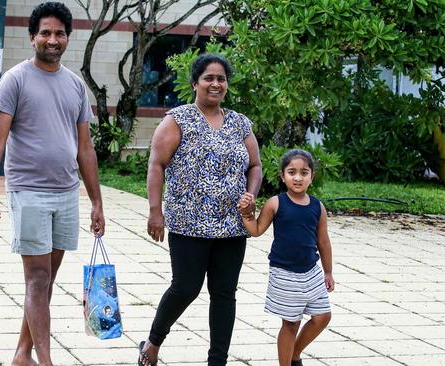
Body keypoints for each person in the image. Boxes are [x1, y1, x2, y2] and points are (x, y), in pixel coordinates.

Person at [0, 2, 105, 365]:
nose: (52, 39)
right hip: (28, 191)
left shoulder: (76, 86)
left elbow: (85, 147)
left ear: (67, 38)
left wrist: (96, 201)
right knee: (37, 277)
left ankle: (22, 354)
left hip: (66, 193)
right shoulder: (14, 80)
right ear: (33, 37)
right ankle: (44, 360)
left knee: (45, 281)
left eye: (59, 33)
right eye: (45, 33)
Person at [140, 53, 262, 366]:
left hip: (232, 227)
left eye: (221, 79)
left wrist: (250, 195)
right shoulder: (177, 119)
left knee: (224, 294)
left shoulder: (240, 124)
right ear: (195, 83)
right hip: (187, 225)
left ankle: (217, 361)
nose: (215, 84)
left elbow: (256, 165)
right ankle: (153, 343)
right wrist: (156, 210)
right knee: (185, 288)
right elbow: (156, 164)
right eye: (208, 78)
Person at [238, 149, 335, 366]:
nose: (298, 177)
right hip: (284, 273)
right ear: (283, 176)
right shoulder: (275, 203)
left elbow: (324, 242)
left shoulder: (318, 207)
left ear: (312, 176)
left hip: (311, 272)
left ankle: (294, 355)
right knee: (291, 323)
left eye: (304, 172)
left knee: (322, 317)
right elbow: (256, 229)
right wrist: (246, 214)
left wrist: (328, 271)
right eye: (292, 172)